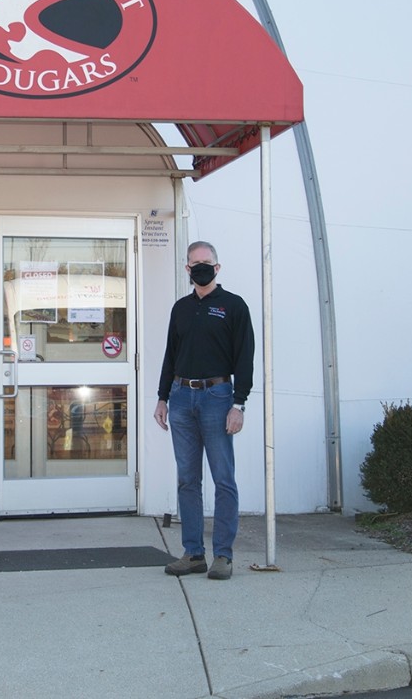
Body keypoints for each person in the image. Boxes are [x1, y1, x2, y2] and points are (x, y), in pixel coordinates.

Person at [154, 240, 254, 580]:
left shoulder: (233, 307)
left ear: (217, 267)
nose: (200, 268)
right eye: (194, 263)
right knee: (187, 479)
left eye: (206, 262)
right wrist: (162, 397)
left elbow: (245, 358)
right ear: (187, 268)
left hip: (218, 398)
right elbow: (171, 354)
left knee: (223, 479)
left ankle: (223, 556)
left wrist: (238, 403)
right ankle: (193, 553)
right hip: (182, 398)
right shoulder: (180, 309)